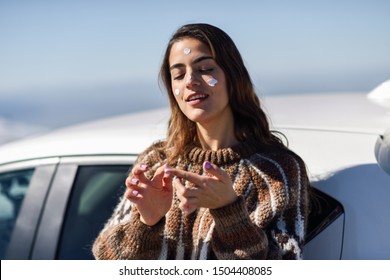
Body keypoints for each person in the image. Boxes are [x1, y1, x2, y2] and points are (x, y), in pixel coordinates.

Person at [92, 23, 310, 260]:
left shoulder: (277, 171)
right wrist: (146, 222)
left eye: (205, 68)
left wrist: (229, 213)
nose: (190, 81)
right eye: (178, 74)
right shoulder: (157, 162)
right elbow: (106, 261)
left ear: (233, 76)